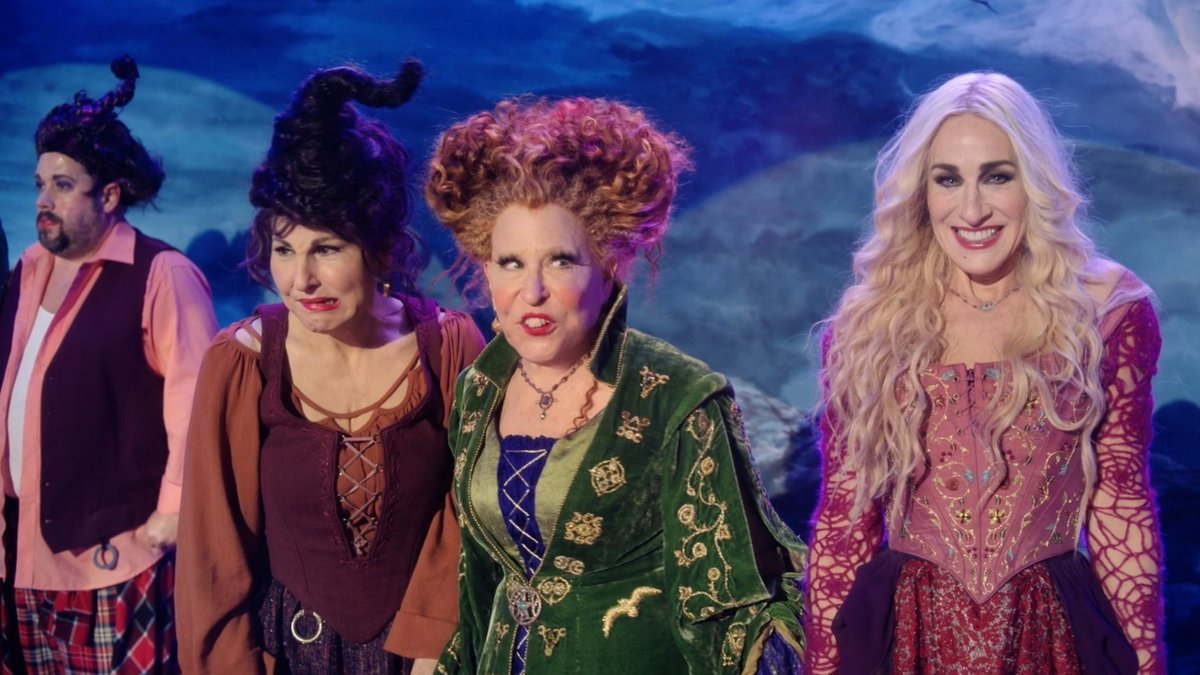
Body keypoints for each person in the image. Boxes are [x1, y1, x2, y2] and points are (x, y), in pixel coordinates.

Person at [425, 97, 807, 674]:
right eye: (510, 263)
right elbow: (476, 582)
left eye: (560, 261)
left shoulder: (677, 397)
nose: (532, 292)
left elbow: (728, 602)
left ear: (608, 266)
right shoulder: (480, 390)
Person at [804, 72, 1166, 674]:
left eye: (998, 176)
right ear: (921, 192)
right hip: (907, 640)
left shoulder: (1105, 310)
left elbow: (1119, 502)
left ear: (1035, 182)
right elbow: (844, 521)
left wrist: (1147, 663)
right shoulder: (871, 324)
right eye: (948, 179)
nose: (972, 210)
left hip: (1051, 638)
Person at [175, 61, 485, 675]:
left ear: (379, 249)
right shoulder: (241, 362)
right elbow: (214, 556)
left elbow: (469, 515)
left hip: (425, 659)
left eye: (327, 249)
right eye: (284, 249)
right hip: (289, 655)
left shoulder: (448, 347)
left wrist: (436, 649)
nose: (301, 278)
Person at [0, 55, 218, 672]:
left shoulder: (161, 275)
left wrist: (174, 510)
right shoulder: (27, 270)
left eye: (63, 186)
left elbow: (197, 403)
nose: (44, 200)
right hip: (20, 558)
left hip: (113, 564)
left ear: (111, 195)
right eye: (40, 184)